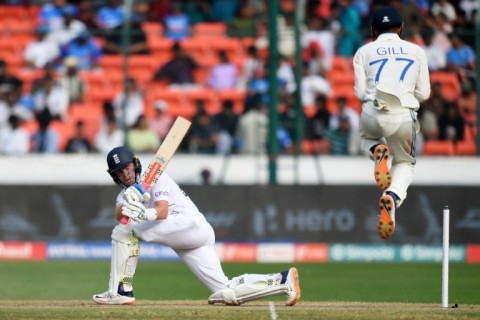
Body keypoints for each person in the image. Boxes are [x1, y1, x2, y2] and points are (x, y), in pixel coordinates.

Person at [92, 146, 301, 306]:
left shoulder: (155, 176)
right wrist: (130, 202)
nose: (125, 175)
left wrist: (142, 213)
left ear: (135, 164)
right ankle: (282, 280)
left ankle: (120, 291)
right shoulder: (124, 194)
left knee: (125, 231)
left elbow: (162, 211)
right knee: (225, 291)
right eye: (119, 173)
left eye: (127, 168)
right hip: (190, 241)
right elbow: (119, 214)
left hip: (188, 224)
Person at [353, 6, 430, 240]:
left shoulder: (363, 51)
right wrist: (406, 99)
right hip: (403, 115)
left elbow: (359, 93)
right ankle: (393, 197)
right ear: (401, 28)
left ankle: (378, 150)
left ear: (374, 30)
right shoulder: (417, 51)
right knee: (405, 164)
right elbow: (424, 93)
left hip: (372, 111)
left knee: (366, 139)